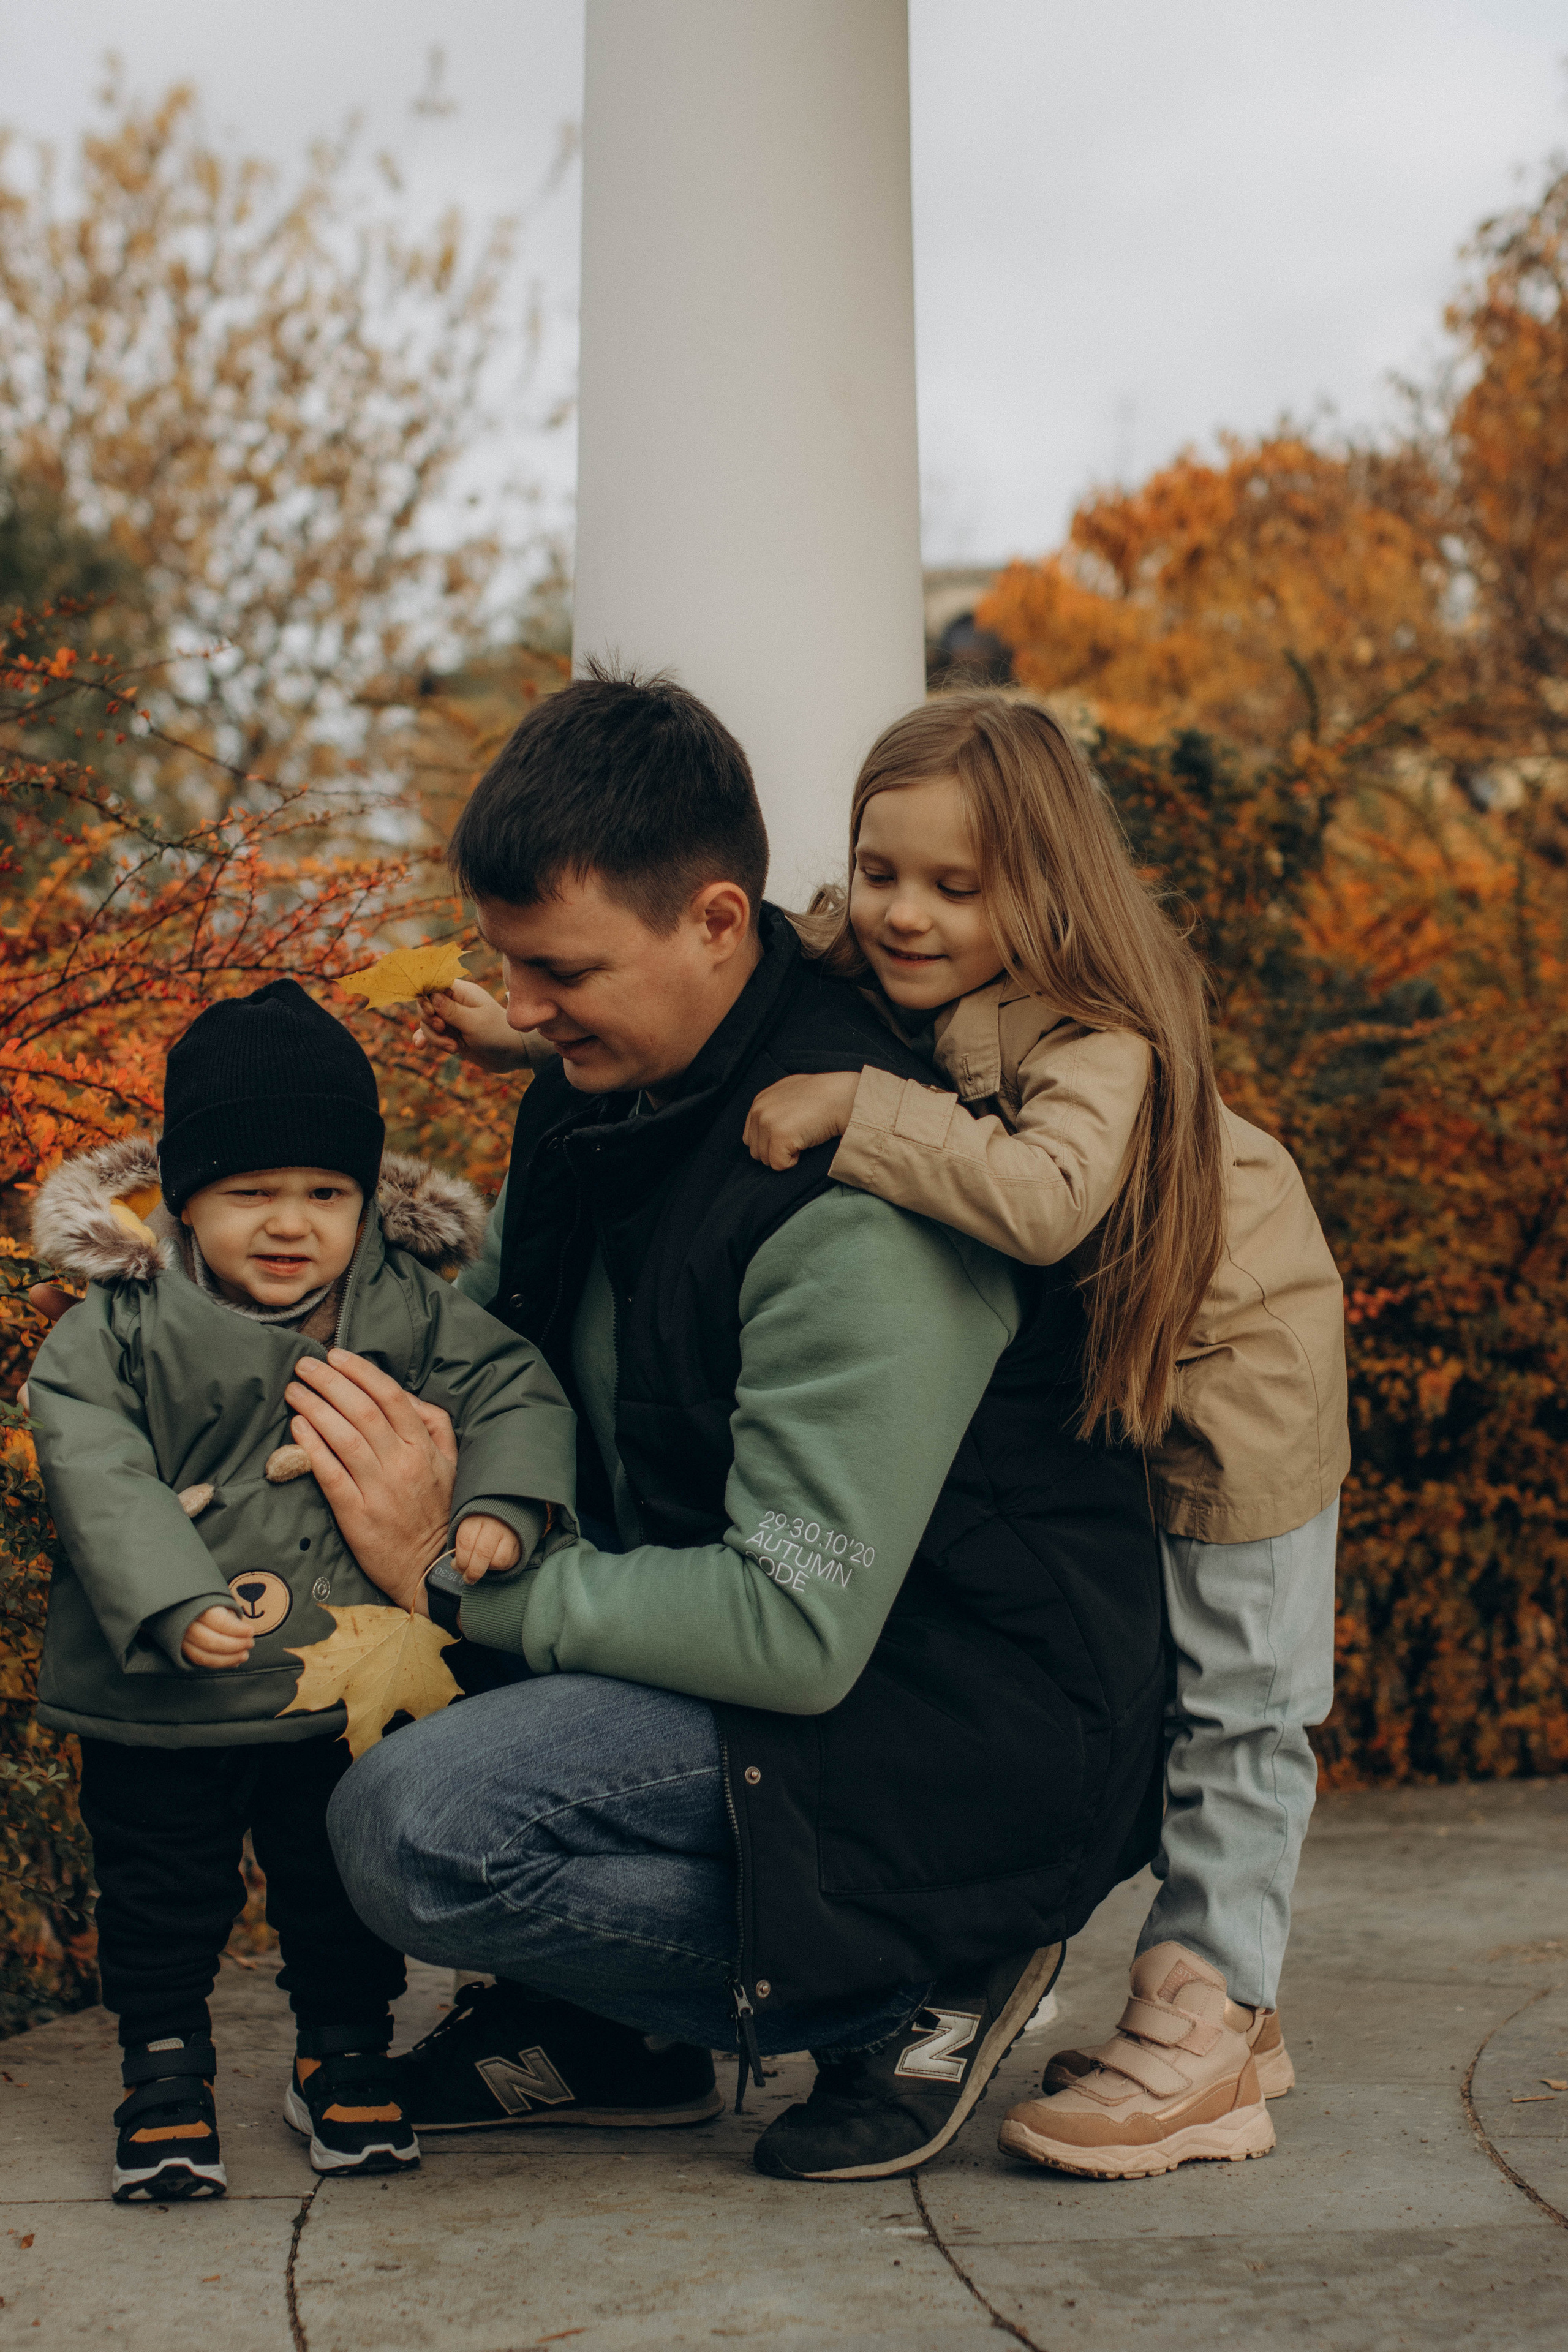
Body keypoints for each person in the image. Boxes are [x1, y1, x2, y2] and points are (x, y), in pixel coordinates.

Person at [320, 666, 1168, 2184]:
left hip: (953, 1711)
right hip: (737, 1616)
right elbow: (485, 1342)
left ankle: (921, 1967)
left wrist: (455, 1577)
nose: (521, 1010)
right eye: (507, 963)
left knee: (420, 1828)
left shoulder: (853, 1200)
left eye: (560, 971)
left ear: (715, 922)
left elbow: (792, 1625)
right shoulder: (601, 1085)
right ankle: (620, 2035)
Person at [741, 693, 1348, 2180]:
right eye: (880, 871)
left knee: (1241, 1700)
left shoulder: (1096, 1031)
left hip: (1240, 1360)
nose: (903, 913)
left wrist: (855, 1105)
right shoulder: (901, 960)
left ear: (1045, 887)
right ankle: (1230, 2006)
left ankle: (1212, 2026)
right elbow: (749, 957)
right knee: (1159, 1679)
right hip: (1122, 1368)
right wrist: (555, 1018)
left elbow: (1045, 1197)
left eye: (957, 886)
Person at [25, 979, 576, 2204]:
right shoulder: (123, 1322)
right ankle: (163, 2068)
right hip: (164, 1685)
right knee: (161, 1890)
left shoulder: (406, 1305)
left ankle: (345, 2051)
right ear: (183, 1197)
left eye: (326, 1193)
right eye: (250, 1193)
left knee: (334, 1884)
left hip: (343, 1670)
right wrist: (173, 1598)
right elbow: (95, 1462)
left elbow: (514, 1390)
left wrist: (499, 1504)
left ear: (366, 1197)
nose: (291, 1224)